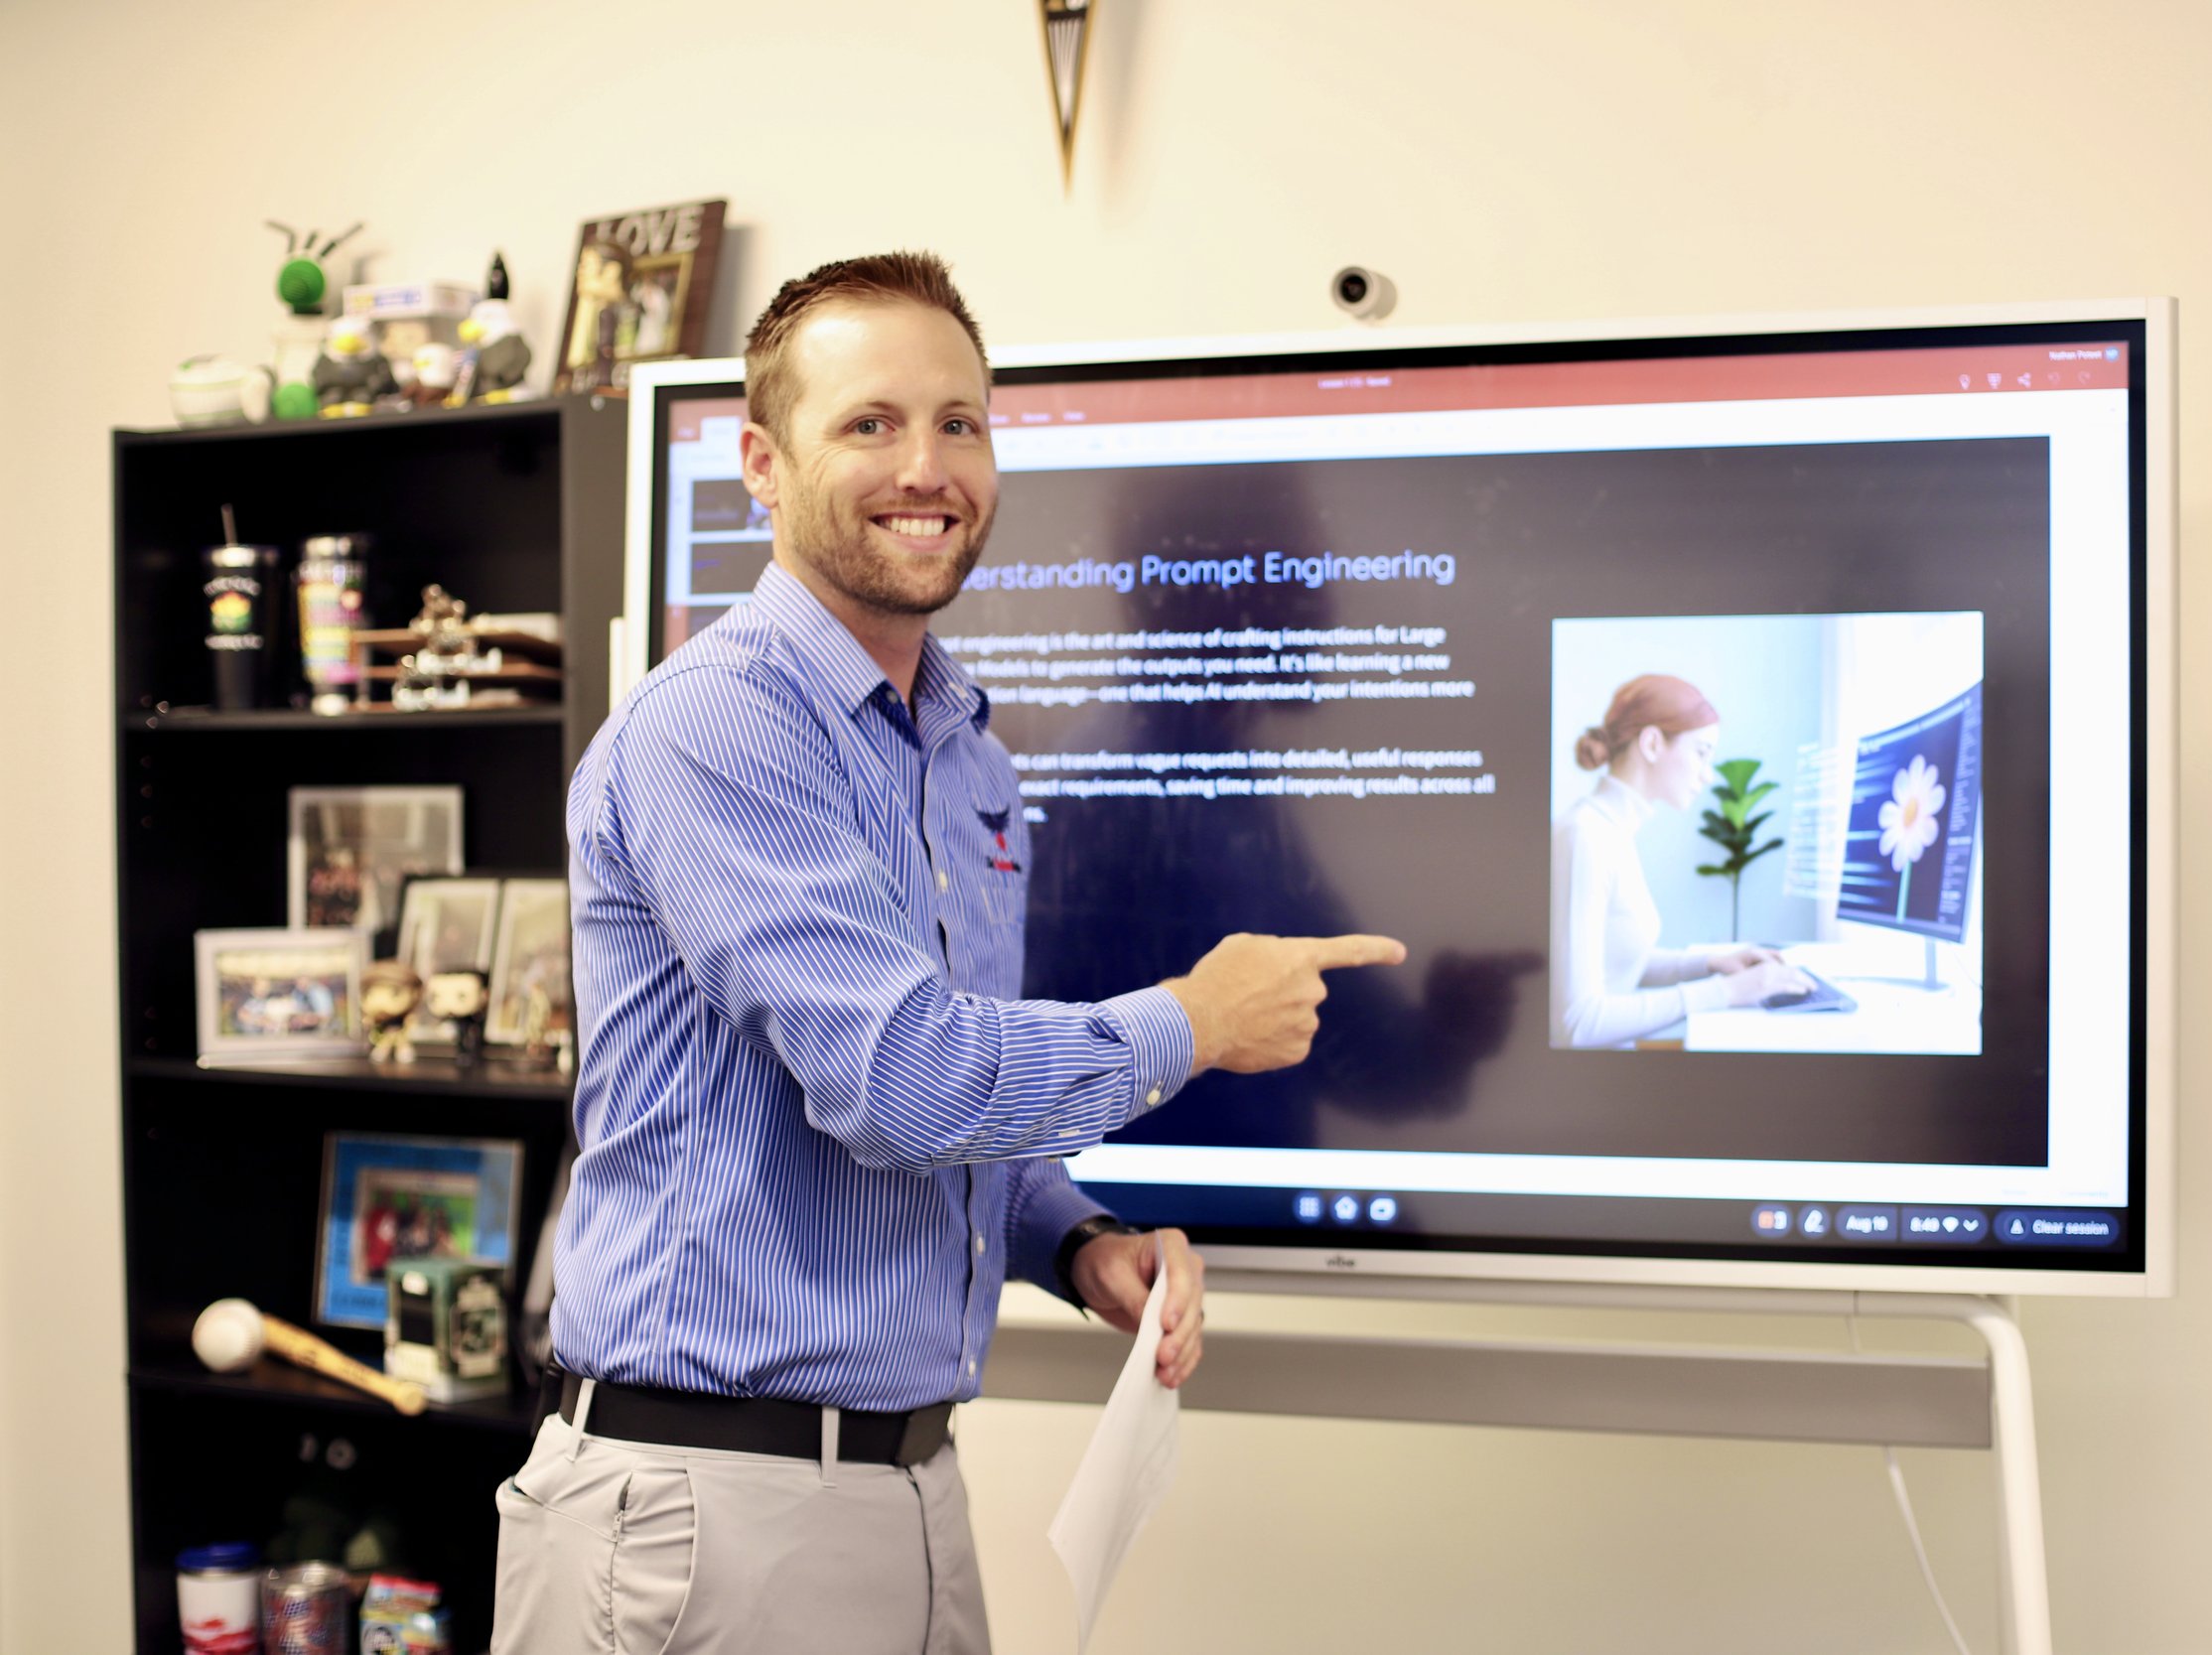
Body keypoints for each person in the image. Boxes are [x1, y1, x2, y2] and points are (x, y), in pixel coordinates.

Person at [490, 250, 1404, 1655]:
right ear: (759, 461)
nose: (928, 465)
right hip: (706, 1502)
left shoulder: (966, 753)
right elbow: (906, 1079)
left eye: (961, 422)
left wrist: (1077, 1239)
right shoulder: (718, 726)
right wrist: (1192, 1018)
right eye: (870, 422)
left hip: (911, 1483)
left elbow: (967, 1097)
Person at [1550, 673, 1810, 1048]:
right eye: (1702, 752)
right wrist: (1725, 992)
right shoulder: (1585, 837)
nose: (1707, 775)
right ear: (1652, 743)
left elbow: (1617, 960)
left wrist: (1711, 965)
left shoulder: (1610, 832)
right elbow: (1576, 1024)